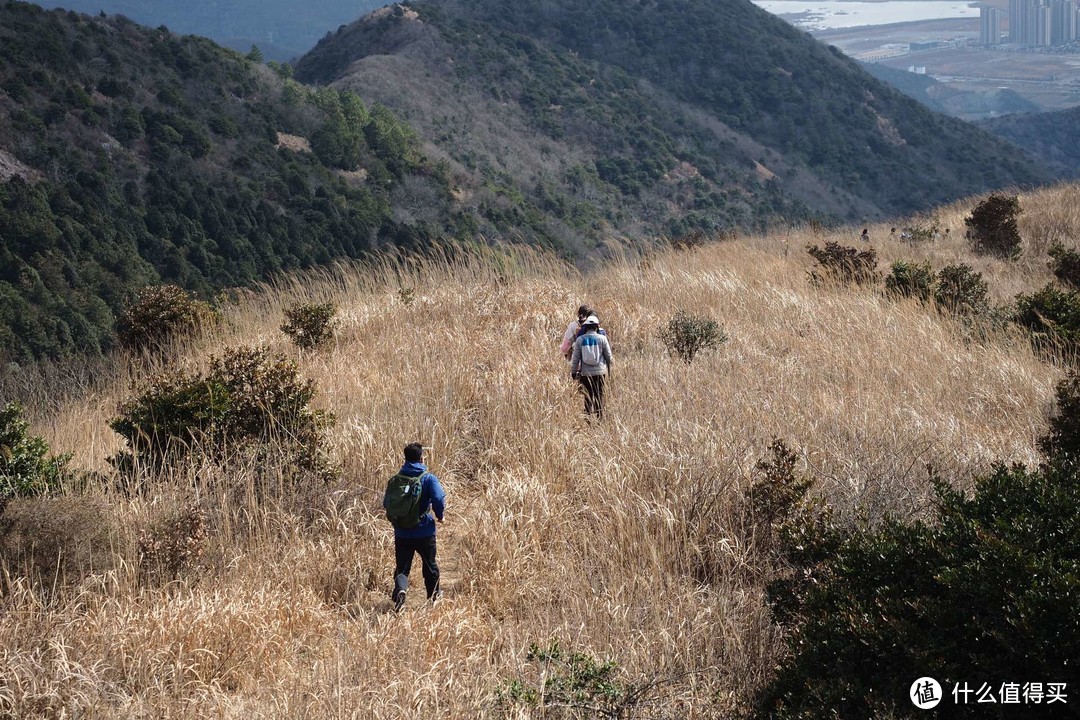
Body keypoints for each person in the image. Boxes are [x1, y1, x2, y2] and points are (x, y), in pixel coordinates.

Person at [383, 442, 446, 611]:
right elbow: (438, 498)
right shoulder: (428, 478)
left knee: (402, 567)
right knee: (429, 564)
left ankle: (401, 591)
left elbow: (387, 503)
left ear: (405, 458)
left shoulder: (396, 479)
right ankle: (434, 599)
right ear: (421, 457)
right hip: (424, 530)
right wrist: (440, 516)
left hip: (402, 532)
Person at [570, 314, 612, 420]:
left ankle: (587, 419)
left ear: (586, 327)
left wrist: (573, 372)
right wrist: (609, 370)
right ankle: (599, 419)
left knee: (587, 397)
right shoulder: (602, 339)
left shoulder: (580, 340)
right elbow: (609, 358)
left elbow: (575, 359)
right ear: (597, 327)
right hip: (600, 373)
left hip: (585, 374)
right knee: (599, 395)